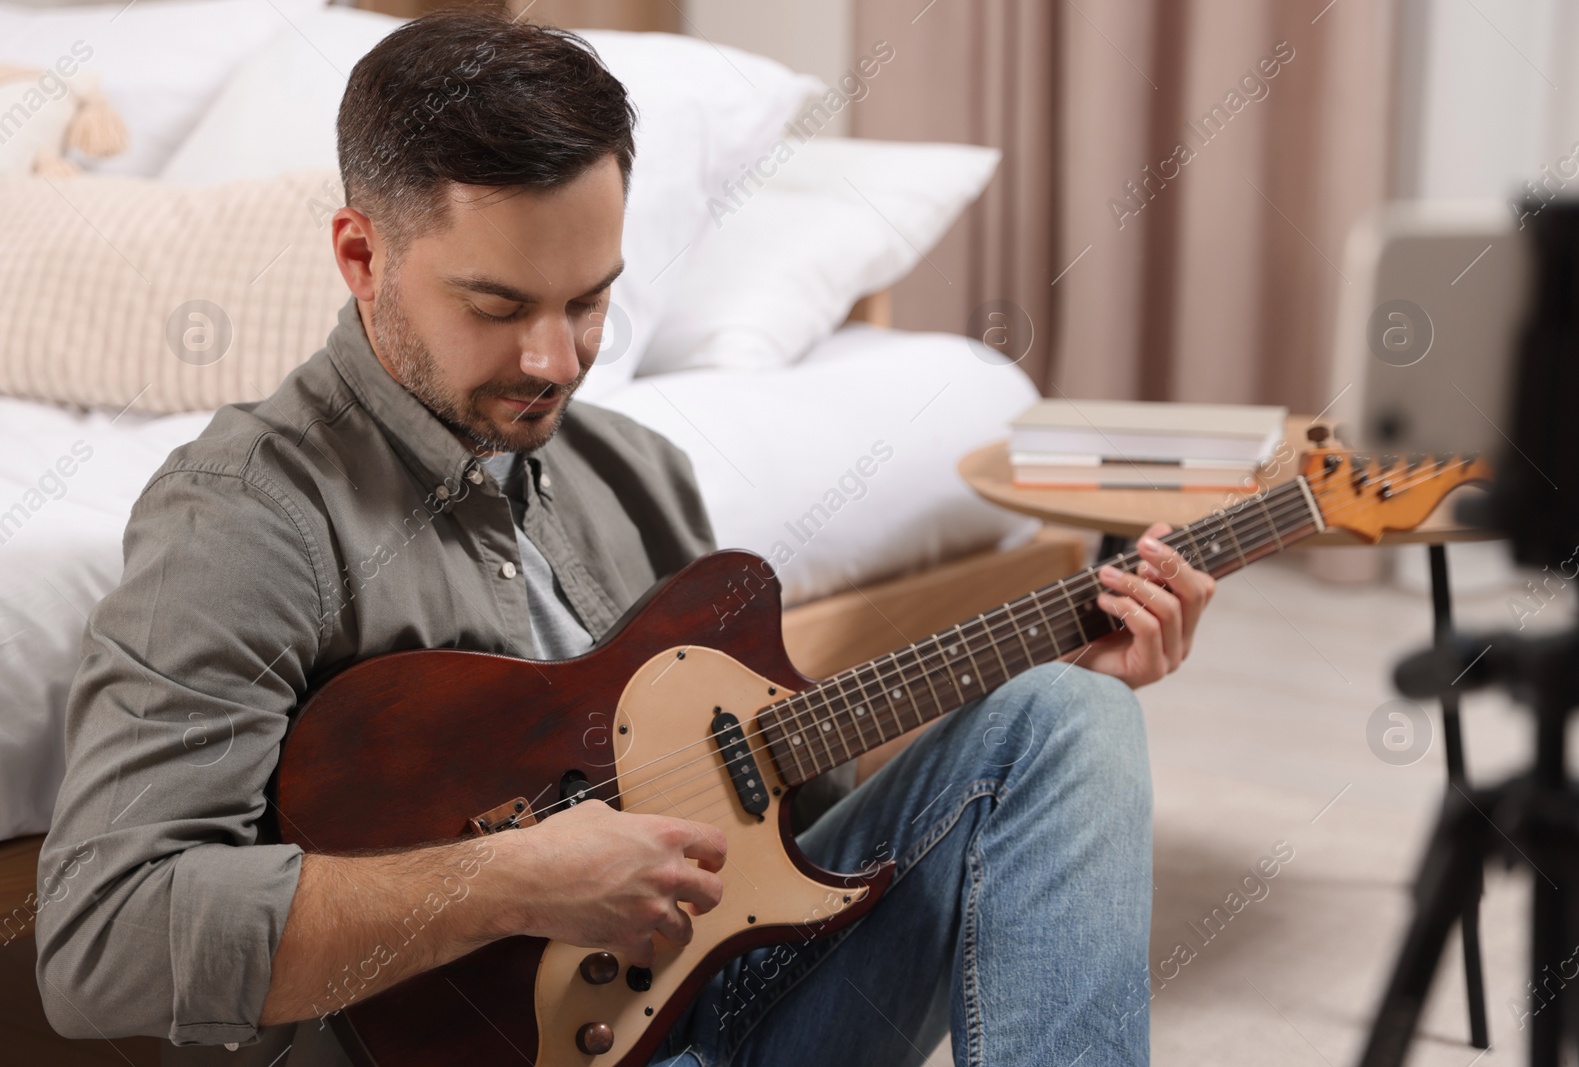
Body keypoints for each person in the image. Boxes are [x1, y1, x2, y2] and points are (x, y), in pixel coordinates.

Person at [33, 10, 1215, 1066]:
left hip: (717, 1009)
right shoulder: (247, 512)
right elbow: (103, 940)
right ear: (361, 256)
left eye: (589, 300)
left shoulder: (632, 469)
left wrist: (1032, 667)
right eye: (498, 306)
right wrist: (501, 882)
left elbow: (788, 827)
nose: (554, 361)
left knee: (1066, 716)